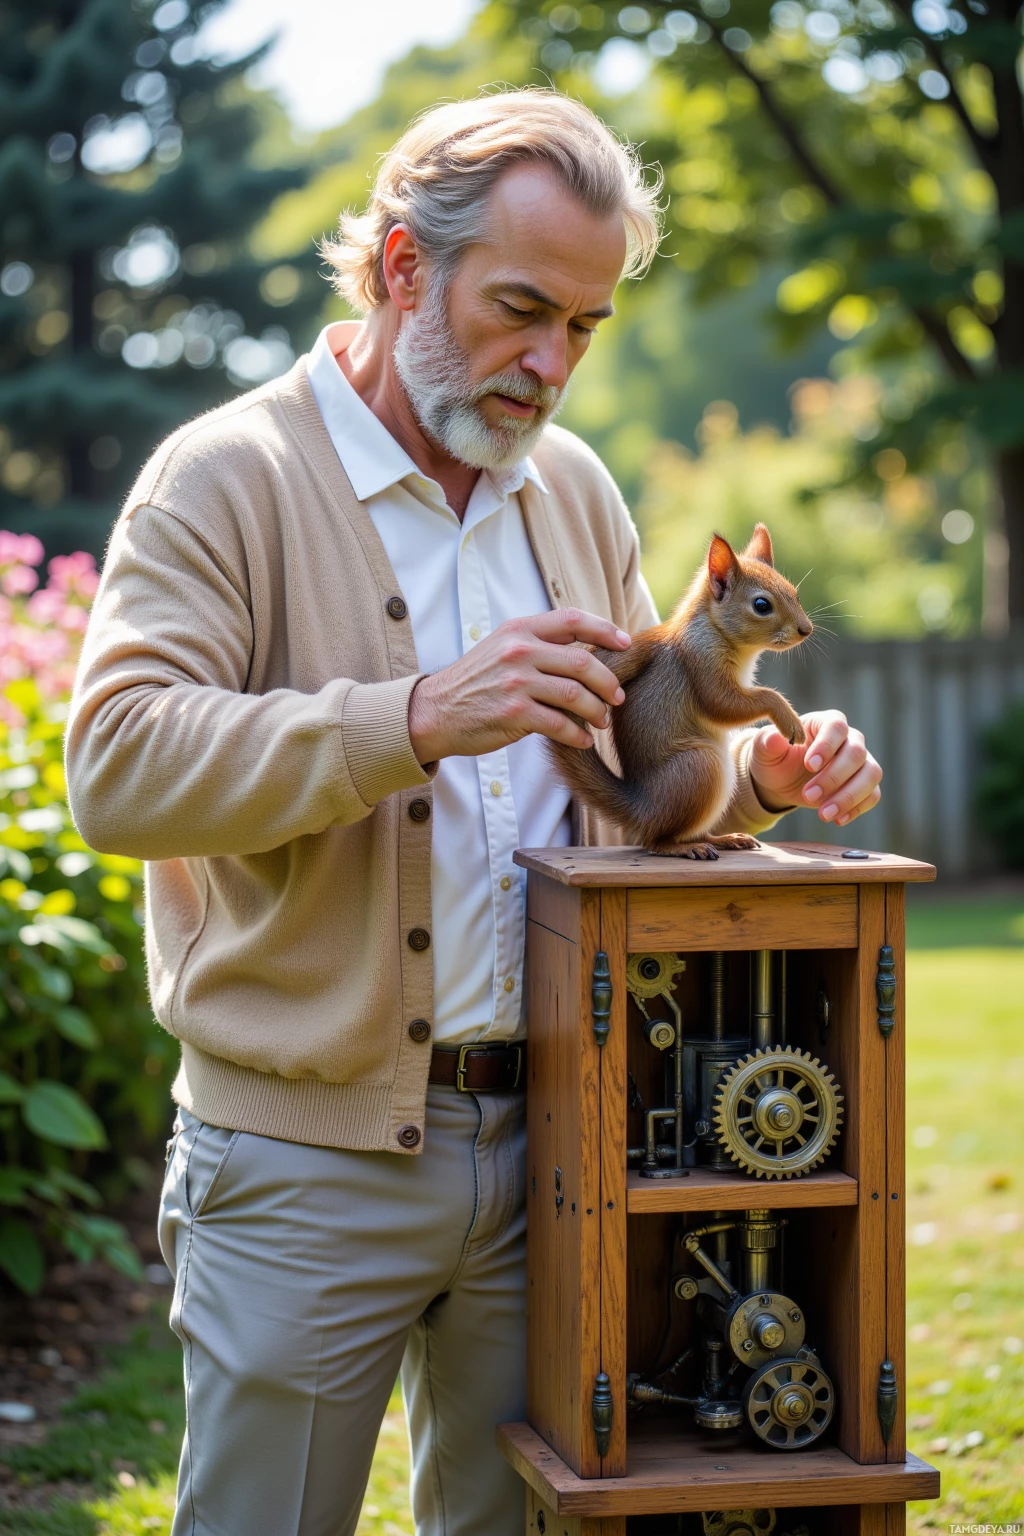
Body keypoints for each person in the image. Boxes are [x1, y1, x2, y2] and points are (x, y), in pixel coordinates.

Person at [66, 90, 882, 1536]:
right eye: (522, 310)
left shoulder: (571, 492)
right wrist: (416, 717)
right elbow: (118, 767)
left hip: (573, 1147)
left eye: (585, 326)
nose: (552, 362)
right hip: (306, 1159)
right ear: (398, 267)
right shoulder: (226, 477)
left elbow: (629, 792)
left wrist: (755, 782)